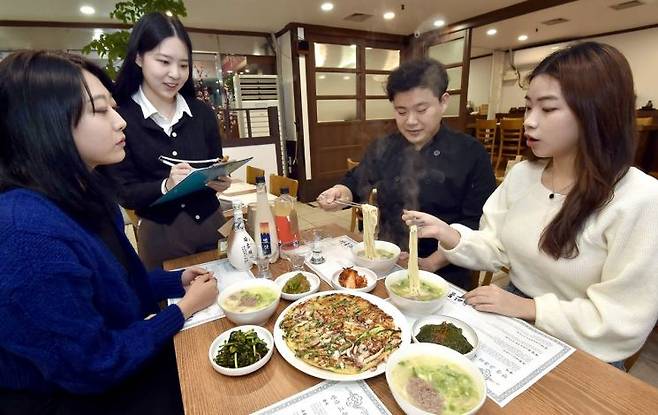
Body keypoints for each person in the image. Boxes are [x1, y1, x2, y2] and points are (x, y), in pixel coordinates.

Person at [403, 42, 658, 368]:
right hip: (511, 316)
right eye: (528, 107)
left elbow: (622, 320)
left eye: (548, 109)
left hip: (585, 349)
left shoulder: (640, 199)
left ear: (598, 111)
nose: (529, 122)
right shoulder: (524, 175)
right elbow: (497, 246)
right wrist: (446, 233)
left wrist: (529, 307)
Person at [0, 50, 218, 414]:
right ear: (43, 123)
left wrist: (174, 281)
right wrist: (182, 310)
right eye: (100, 110)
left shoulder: (87, 193)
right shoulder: (26, 233)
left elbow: (117, 285)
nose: (121, 123)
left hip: (121, 356)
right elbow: (92, 366)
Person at [317, 58, 496, 290]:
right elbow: (357, 180)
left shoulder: (471, 153)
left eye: (421, 110)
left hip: (446, 270)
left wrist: (431, 263)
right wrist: (340, 191)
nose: (411, 121)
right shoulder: (385, 147)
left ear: (443, 102)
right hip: (385, 260)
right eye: (401, 111)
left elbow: (476, 224)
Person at [106, 12, 230, 270]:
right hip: (161, 235)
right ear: (139, 57)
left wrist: (219, 180)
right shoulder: (120, 117)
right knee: (175, 304)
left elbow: (213, 164)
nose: (175, 74)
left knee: (229, 296)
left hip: (212, 223)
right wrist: (166, 184)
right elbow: (124, 191)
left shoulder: (202, 113)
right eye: (164, 61)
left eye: (183, 65)